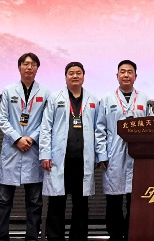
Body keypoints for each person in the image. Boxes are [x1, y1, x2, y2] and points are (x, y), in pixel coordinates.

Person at [94, 60, 154, 241]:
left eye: (130, 72)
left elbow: (152, 126)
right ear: (117, 76)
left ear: (135, 76)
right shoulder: (107, 99)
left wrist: (148, 154)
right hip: (114, 155)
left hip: (138, 156)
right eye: (122, 72)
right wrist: (102, 155)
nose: (126, 75)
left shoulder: (144, 98)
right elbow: (100, 129)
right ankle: (115, 236)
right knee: (114, 200)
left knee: (135, 200)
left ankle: (131, 235)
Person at [40, 62, 99, 241]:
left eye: (78, 73)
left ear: (83, 76)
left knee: (81, 203)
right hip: (60, 160)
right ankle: (54, 237)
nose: (75, 76)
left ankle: (78, 238)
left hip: (83, 159)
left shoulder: (93, 99)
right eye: (71, 73)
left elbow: (99, 129)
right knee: (57, 202)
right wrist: (45, 154)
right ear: (65, 77)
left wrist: (99, 155)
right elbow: (46, 127)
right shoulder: (54, 97)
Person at [0, 53, 51, 241]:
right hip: (12, 150)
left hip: (33, 150)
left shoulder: (45, 93)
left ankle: (32, 237)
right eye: (26, 64)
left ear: (37, 68)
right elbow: (2, 119)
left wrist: (32, 138)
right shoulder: (8, 91)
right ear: (19, 67)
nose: (29, 67)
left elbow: (47, 121)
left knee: (34, 201)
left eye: (33, 64)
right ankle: (1, 238)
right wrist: (18, 138)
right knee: (3, 200)